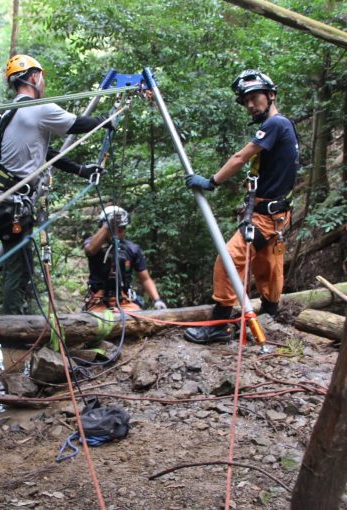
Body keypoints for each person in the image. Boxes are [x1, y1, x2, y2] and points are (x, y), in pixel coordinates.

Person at [0, 54, 106, 315]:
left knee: (19, 262)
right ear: (35, 77)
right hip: (11, 203)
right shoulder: (38, 109)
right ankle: (12, 331)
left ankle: (15, 321)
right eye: (42, 78)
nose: (44, 83)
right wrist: (108, 120)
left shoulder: (12, 111)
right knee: (18, 267)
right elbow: (76, 124)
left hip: (1, 200)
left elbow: (44, 153)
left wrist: (80, 170)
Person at [183, 69, 299, 344]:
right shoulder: (287, 126)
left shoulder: (274, 125)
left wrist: (212, 182)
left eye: (254, 98)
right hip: (277, 214)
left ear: (271, 95)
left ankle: (220, 324)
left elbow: (241, 157)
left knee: (228, 260)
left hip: (267, 217)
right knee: (268, 265)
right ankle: (269, 316)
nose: (249, 105)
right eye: (245, 101)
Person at [83, 205, 166, 312]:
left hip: (124, 300)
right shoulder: (92, 243)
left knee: (139, 322)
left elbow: (145, 278)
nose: (120, 232)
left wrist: (157, 300)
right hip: (98, 300)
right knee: (98, 325)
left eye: (122, 229)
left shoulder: (132, 249)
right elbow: (90, 250)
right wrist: (107, 226)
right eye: (116, 229)